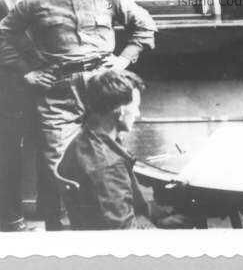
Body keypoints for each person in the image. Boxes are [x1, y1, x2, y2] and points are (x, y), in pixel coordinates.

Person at [0, 0, 156, 230]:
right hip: (59, 92)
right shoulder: (36, 0)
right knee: (60, 167)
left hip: (102, 86)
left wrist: (123, 60)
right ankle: (62, 236)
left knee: (109, 156)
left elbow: (145, 25)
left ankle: (119, 229)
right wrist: (26, 72)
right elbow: (3, 33)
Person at [58, 69, 188, 230]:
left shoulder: (86, 139)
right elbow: (124, 232)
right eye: (136, 107)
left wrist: (161, 215)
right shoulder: (107, 165)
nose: (137, 113)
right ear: (120, 110)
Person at [0, 0, 48, 232]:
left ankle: (48, 210)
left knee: (47, 139)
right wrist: (23, 70)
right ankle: (9, 218)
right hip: (8, 76)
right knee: (9, 147)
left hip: (44, 73)